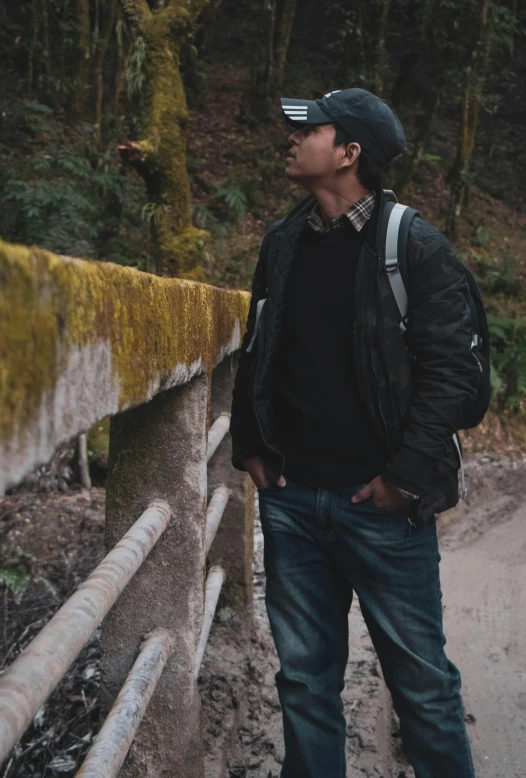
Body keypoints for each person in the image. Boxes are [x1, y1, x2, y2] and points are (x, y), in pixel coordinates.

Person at [230, 88, 479, 778]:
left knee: (423, 690)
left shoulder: (416, 248)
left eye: (309, 130)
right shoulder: (284, 240)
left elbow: (450, 378)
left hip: (383, 511)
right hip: (291, 500)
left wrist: (403, 477)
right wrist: (250, 445)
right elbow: (261, 345)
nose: (290, 138)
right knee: (305, 687)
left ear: (349, 152)